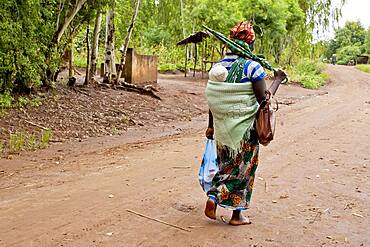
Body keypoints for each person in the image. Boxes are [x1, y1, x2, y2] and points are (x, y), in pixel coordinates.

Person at [204, 21, 287, 225]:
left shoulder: (218, 67)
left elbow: (214, 100)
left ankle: (214, 199)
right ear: (250, 44)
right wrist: (277, 79)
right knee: (244, 170)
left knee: (225, 166)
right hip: (245, 132)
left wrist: (211, 126)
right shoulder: (252, 67)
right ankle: (235, 214)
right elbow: (264, 101)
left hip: (223, 130)